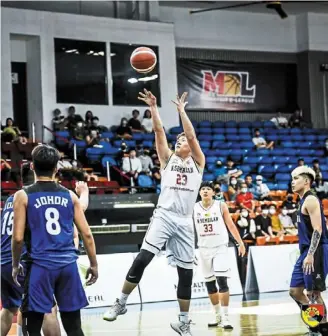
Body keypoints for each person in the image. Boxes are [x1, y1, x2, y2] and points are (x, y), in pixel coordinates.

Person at [103, 90, 205, 336]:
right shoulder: (167, 160)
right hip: (164, 216)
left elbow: (190, 134)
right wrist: (154, 108)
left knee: (186, 274)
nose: (181, 142)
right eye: (177, 140)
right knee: (143, 258)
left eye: (184, 141)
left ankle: (183, 321)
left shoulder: (198, 162)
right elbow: (159, 132)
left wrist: (181, 112)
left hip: (184, 222)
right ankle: (121, 302)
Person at [11, 144, 98, 336]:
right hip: (68, 267)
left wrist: (16, 265)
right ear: (56, 168)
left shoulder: (23, 195)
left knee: (31, 327)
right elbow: (87, 235)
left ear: (32, 166)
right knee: (74, 327)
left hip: (39, 267)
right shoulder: (69, 195)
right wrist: (94, 264)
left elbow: (17, 238)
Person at [193, 182, 246, 330]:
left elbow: (230, 225)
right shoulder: (194, 207)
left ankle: (226, 317)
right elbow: (189, 229)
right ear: (199, 192)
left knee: (222, 282)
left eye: (207, 189)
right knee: (210, 284)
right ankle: (217, 316)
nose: (204, 191)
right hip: (203, 249)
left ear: (212, 192)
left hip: (220, 247)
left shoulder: (220, 205)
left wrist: (240, 243)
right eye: (202, 189)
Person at [289, 166, 328, 336]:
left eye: (296, 178)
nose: (292, 182)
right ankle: (315, 327)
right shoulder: (302, 200)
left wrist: (311, 254)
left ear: (306, 181)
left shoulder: (311, 199)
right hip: (306, 251)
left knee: (313, 293)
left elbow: (318, 229)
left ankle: (322, 331)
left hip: (316, 250)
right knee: (295, 291)